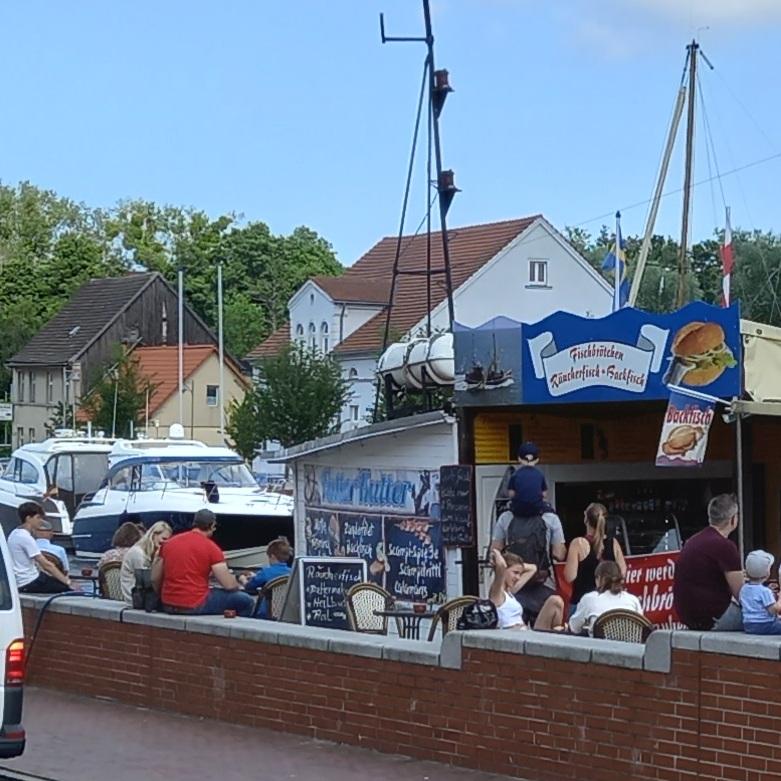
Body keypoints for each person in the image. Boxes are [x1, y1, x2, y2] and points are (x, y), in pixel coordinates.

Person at [152, 509, 254, 617]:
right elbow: (228, 584)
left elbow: (154, 578)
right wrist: (238, 582)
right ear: (212, 526)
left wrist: (162, 595)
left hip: (168, 603)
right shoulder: (212, 548)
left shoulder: (169, 543)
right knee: (245, 601)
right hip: (195, 603)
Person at [672, 493, 743, 631]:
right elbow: (741, 594)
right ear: (733, 519)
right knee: (765, 620)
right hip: (715, 617)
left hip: (688, 616)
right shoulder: (725, 546)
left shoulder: (693, 541)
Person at [564, 503, 627, 616]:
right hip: (609, 605)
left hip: (581, 604)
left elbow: (569, 576)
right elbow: (622, 572)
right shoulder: (613, 543)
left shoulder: (578, 544)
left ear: (586, 520)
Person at [488, 549, 564, 631]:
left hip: (526, 632)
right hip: (513, 636)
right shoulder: (497, 594)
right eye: (515, 572)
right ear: (504, 570)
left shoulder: (510, 591)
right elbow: (501, 565)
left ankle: (556, 634)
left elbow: (533, 568)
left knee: (556, 602)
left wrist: (516, 565)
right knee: (555, 601)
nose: (518, 577)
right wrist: (496, 552)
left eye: (520, 574)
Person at [8, 502, 72, 594]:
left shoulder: (14, 533)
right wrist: (68, 582)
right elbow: (46, 565)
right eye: (38, 517)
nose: (41, 521)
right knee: (67, 589)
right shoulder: (25, 537)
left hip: (23, 580)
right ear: (28, 518)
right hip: (29, 581)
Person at [569, 561, 644, 636]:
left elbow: (574, 628)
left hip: (599, 646)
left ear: (598, 578)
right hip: (629, 646)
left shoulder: (589, 599)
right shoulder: (633, 600)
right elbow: (642, 628)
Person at [120, 521, 173, 604]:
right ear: (153, 535)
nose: (164, 543)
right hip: (135, 598)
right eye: (163, 539)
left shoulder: (150, 552)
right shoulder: (137, 553)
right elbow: (147, 582)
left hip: (142, 595)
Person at [243, 537, 292, 618]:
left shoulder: (266, 572)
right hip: (285, 614)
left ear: (272, 556)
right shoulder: (292, 572)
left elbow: (249, 586)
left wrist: (243, 580)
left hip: (266, 613)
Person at [740, 550, 781, 636]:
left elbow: (754, 601)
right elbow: (773, 610)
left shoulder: (744, 589)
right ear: (767, 573)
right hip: (765, 625)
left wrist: (769, 590)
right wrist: (779, 599)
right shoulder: (764, 591)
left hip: (748, 625)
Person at [507, 441, 547, 518]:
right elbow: (544, 494)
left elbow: (511, 494)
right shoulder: (539, 475)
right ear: (537, 460)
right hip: (537, 511)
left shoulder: (515, 475)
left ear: (519, 459)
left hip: (518, 511)